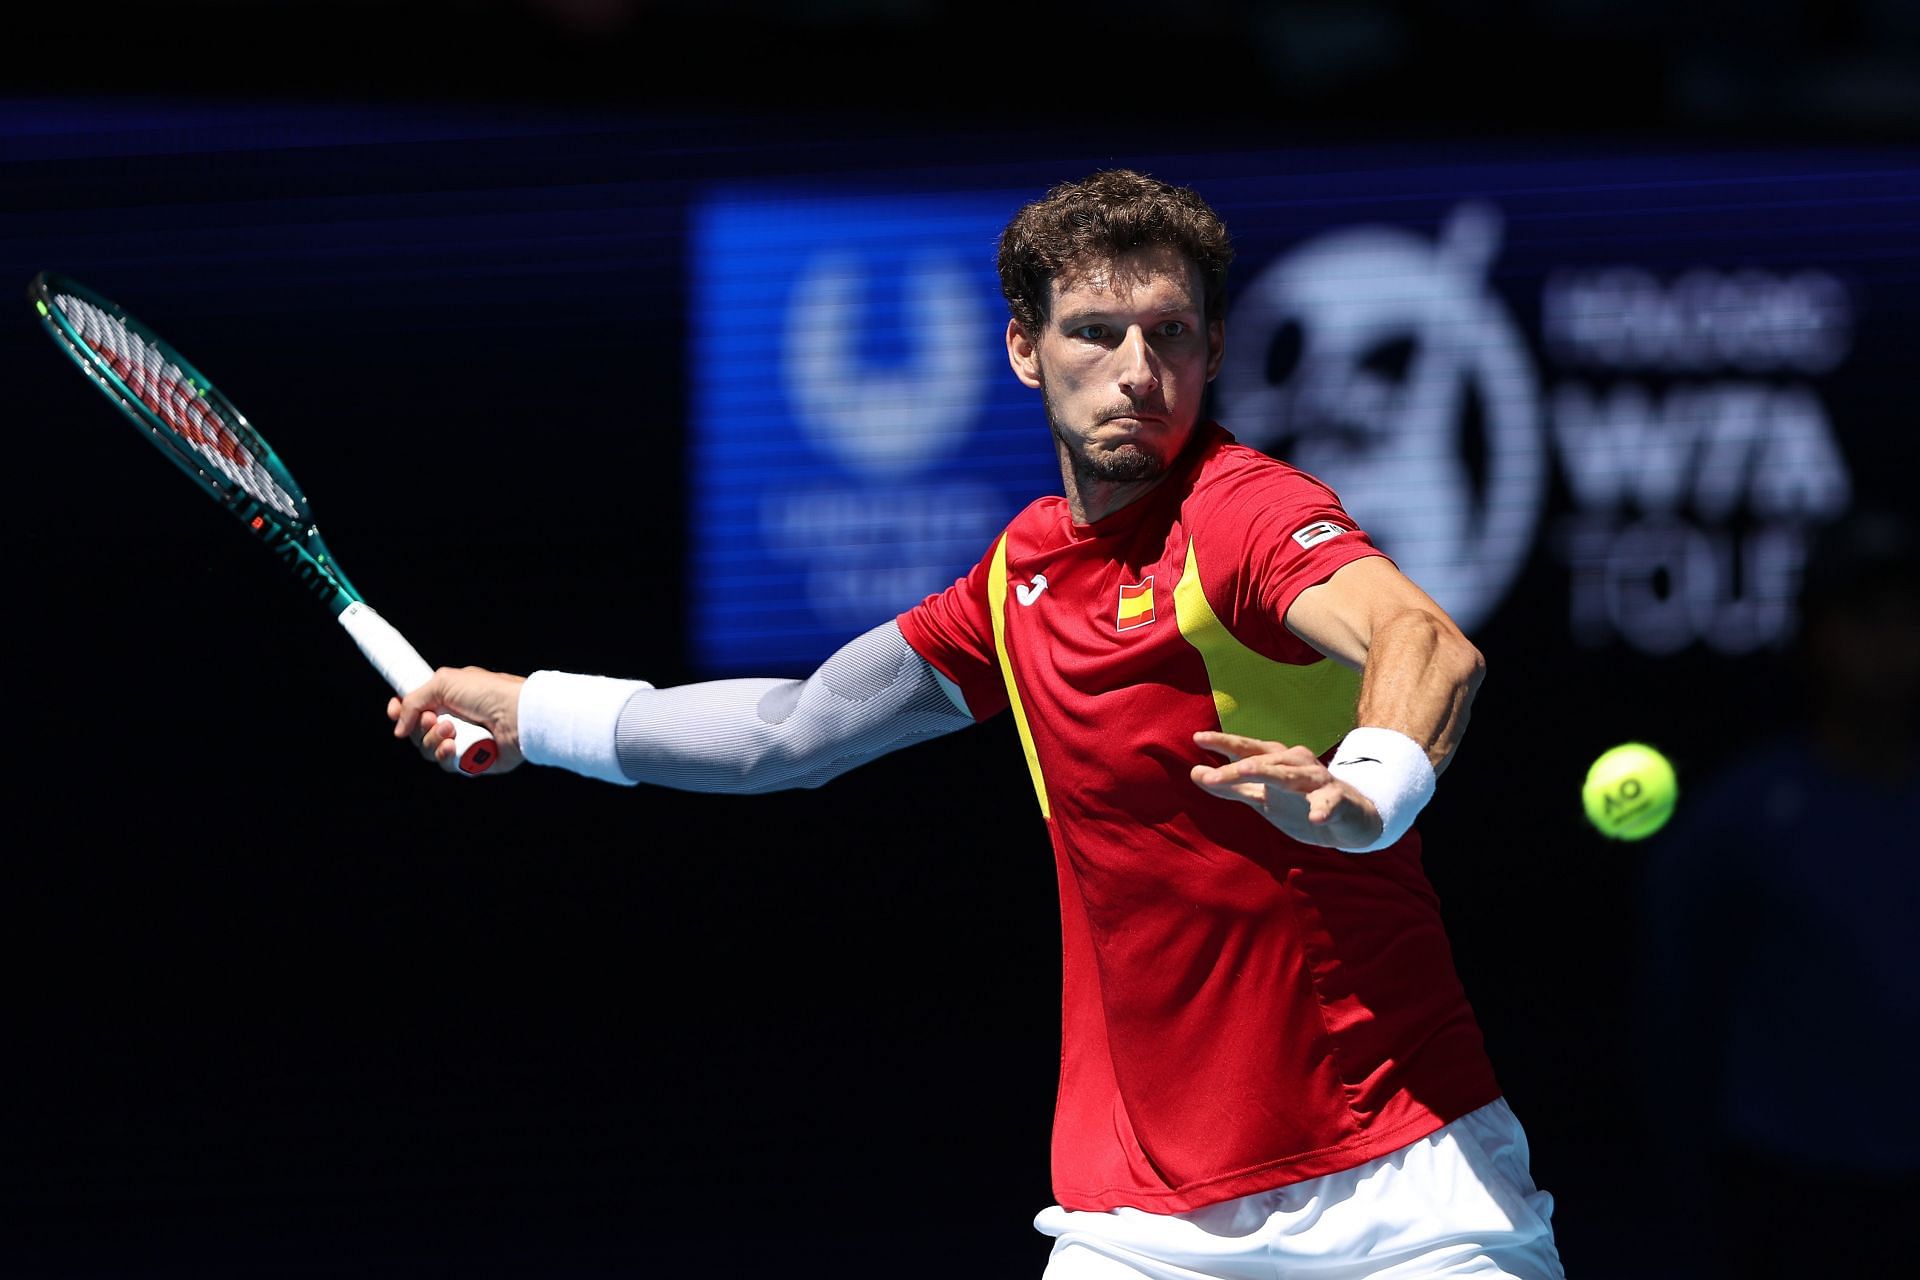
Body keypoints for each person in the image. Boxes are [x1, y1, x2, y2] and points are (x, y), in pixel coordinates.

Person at [389, 169, 1564, 1278]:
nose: (1136, 368)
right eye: (1095, 331)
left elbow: (1426, 641)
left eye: (1170, 333)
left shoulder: (1247, 513)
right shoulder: (1020, 577)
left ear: (1211, 350)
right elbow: (793, 731)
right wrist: (538, 709)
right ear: (1024, 348)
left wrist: (1367, 786)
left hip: (1411, 1194)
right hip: (1137, 1221)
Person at [1635, 506, 1919, 1277]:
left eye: (1907, 618)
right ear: (1817, 633)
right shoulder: (1741, 815)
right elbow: (1677, 1016)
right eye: (1865, 617)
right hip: (1787, 1198)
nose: (1889, 644)